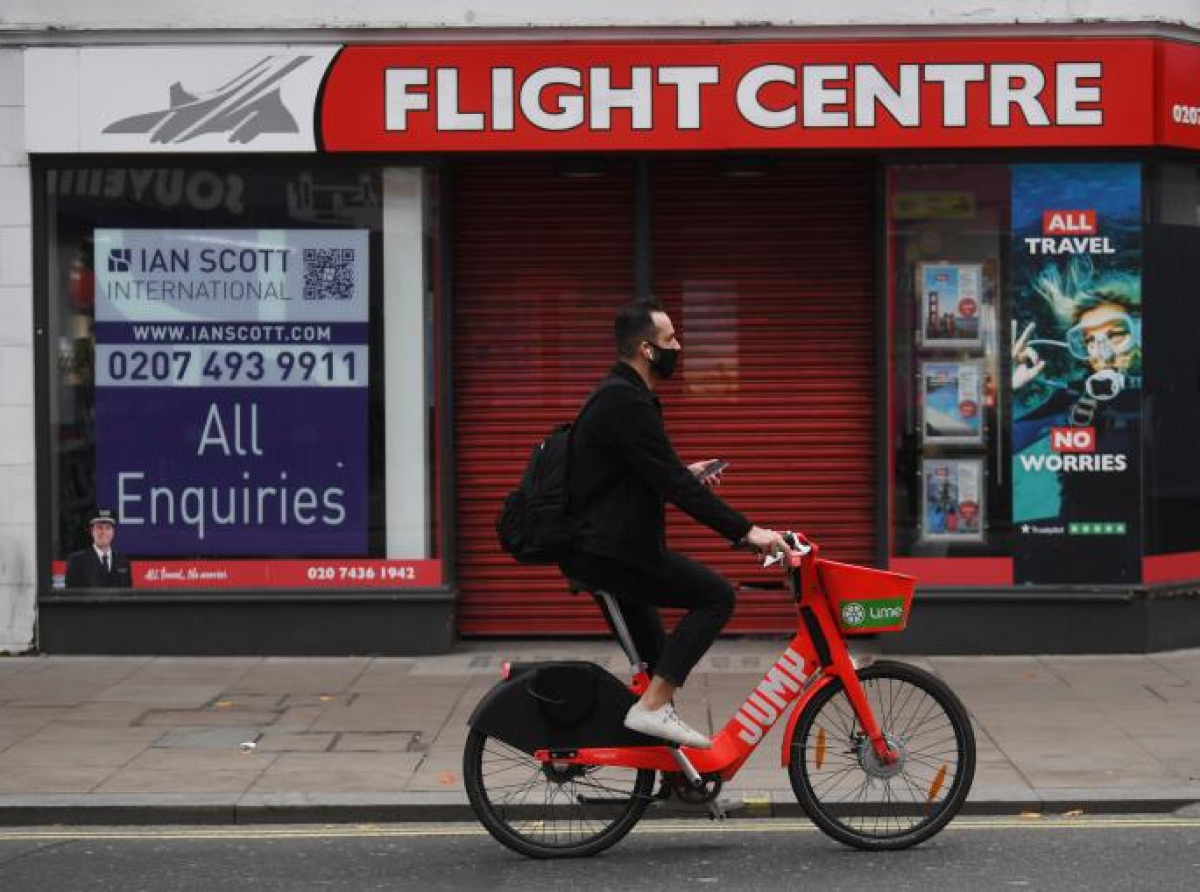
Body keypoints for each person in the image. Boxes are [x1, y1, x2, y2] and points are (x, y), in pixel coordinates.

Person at [559, 298, 795, 749]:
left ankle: (670, 770)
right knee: (716, 596)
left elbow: (642, 472)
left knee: (656, 664)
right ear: (647, 350)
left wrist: (683, 473)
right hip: (612, 555)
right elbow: (670, 487)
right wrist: (747, 533)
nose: (679, 346)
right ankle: (650, 708)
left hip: (609, 550)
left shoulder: (622, 395)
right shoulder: (625, 401)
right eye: (670, 339)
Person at [65, 509, 132, 588]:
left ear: (113, 532)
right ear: (91, 531)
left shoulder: (123, 561)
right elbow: (71, 596)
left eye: (108, 528)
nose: (104, 532)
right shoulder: (77, 561)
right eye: (99, 527)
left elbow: (127, 595)